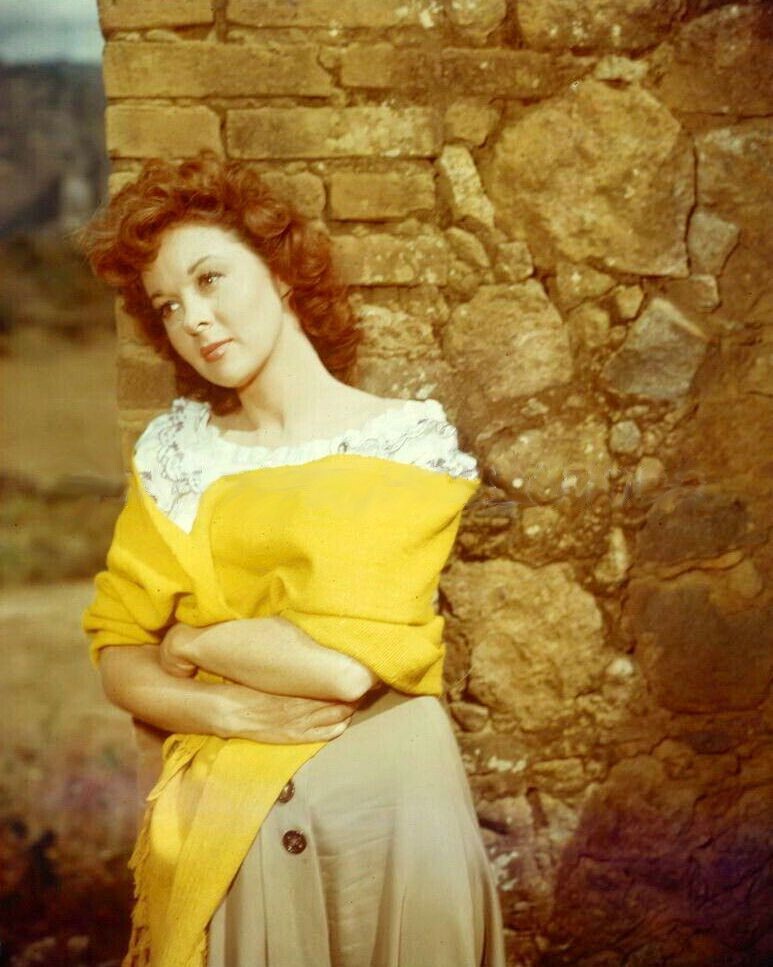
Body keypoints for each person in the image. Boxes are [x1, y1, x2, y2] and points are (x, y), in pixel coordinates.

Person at [79, 153, 505, 967]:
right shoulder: (175, 456)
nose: (194, 319)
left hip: (391, 818)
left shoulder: (404, 443)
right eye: (169, 305)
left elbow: (340, 666)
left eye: (210, 278)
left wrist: (192, 641)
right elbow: (118, 652)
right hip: (233, 829)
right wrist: (222, 710)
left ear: (279, 273)